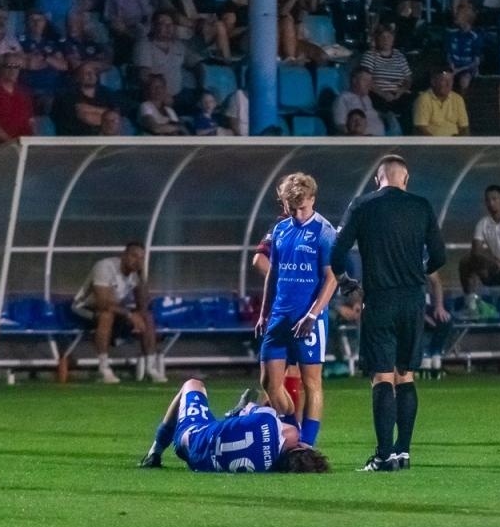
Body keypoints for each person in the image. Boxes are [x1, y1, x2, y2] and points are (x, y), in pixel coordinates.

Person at [328, 155, 449, 471]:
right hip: (412, 300)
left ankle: (383, 456)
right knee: (405, 374)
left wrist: (347, 283)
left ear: (377, 180)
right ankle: (403, 451)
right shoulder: (421, 206)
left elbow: (336, 252)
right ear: (405, 179)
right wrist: (418, 272)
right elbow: (439, 255)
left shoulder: (363, 205)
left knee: (382, 375)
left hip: (379, 299)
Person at [256, 173, 337, 449]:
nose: (297, 214)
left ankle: (306, 445)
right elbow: (273, 273)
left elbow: (331, 278)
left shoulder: (324, 231)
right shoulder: (281, 230)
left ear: (313, 199)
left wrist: (313, 315)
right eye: (292, 208)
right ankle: (292, 428)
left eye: (301, 207)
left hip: (309, 318)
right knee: (269, 382)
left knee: (311, 382)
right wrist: (264, 312)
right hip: (279, 315)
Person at [137, 378, 328, 474]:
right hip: (198, 461)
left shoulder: (268, 420)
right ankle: (230, 416)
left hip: (192, 437)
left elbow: (250, 409)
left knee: (193, 384)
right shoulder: (269, 468)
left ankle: (155, 453)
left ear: (299, 448)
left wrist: (243, 409)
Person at [74, 241, 161, 384]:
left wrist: (142, 278)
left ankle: (151, 368)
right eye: (134, 256)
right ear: (124, 255)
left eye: (141, 258)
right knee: (106, 316)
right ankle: (104, 368)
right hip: (84, 307)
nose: (137, 261)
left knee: (147, 317)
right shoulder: (105, 267)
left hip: (114, 309)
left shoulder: (135, 275)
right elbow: (102, 302)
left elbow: (143, 304)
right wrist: (130, 315)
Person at [460, 184, 500, 314]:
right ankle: (471, 304)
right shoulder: (483, 223)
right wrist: (491, 262)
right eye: (488, 200)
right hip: (496, 268)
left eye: (495, 199)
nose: (491, 203)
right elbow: (476, 250)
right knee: (466, 261)